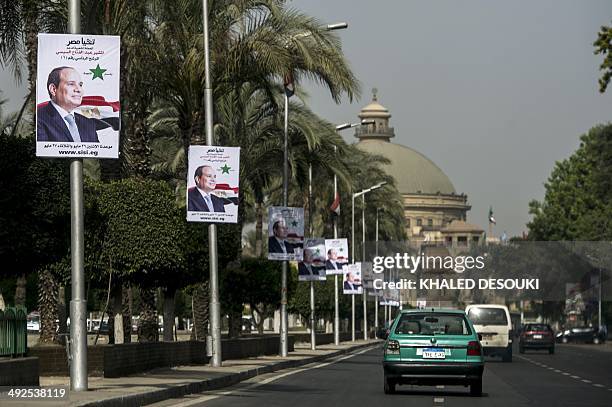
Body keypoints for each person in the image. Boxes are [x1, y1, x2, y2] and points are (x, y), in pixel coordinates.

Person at [37, 66, 99, 142]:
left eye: (80, 85)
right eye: (71, 84)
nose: (79, 89)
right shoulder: (39, 118)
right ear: (53, 89)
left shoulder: (88, 124)